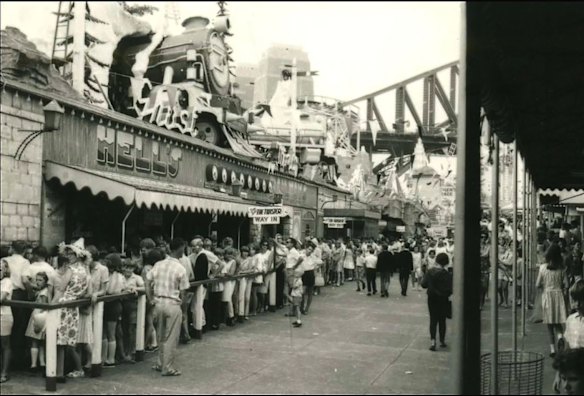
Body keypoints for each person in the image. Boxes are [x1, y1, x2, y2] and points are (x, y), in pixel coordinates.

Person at [145, 238, 190, 377]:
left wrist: (150, 298)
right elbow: (183, 291)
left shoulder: (158, 264)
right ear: (181, 248)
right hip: (172, 303)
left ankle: (160, 363)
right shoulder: (181, 268)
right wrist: (182, 307)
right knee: (171, 337)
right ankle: (167, 367)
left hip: (158, 302)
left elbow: (147, 281)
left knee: (160, 335)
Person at [53, 240, 90, 379]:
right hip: (73, 306)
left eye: (71, 253)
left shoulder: (70, 269)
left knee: (61, 340)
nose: (68, 256)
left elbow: (61, 289)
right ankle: (67, 370)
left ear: (78, 255)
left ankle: (58, 372)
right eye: (67, 253)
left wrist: (51, 305)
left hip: (64, 305)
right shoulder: (85, 270)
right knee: (69, 341)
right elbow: (84, 290)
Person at [536, 244, 569, 357]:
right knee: (558, 322)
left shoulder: (543, 267)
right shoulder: (562, 268)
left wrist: (544, 287)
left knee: (549, 324)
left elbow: (537, 284)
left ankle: (552, 350)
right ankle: (560, 336)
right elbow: (567, 284)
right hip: (558, 295)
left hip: (547, 294)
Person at [4, 240, 31, 369]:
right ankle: (17, 358)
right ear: (24, 251)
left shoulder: (5, 260)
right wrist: (30, 291)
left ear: (12, 249)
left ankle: (6, 357)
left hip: (6, 293)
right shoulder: (25, 262)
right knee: (19, 326)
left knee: (6, 326)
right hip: (19, 294)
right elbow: (25, 280)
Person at [421, 253, 453, 351]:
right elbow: (451, 289)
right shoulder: (448, 274)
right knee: (442, 320)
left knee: (433, 319)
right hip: (443, 299)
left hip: (432, 298)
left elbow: (423, 284)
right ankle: (442, 340)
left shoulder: (430, 272)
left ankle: (433, 341)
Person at [103, 253, 125, 367]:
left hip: (112, 304)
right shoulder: (120, 276)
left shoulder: (113, 276)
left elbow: (110, 290)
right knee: (107, 333)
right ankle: (106, 358)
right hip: (113, 305)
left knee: (109, 333)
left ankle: (110, 358)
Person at [25, 272, 49, 373]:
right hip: (39, 314)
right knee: (40, 341)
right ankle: (41, 363)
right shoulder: (42, 291)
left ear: (45, 281)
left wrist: (40, 319)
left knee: (35, 340)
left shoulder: (44, 292)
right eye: (37, 280)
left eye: (40, 280)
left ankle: (34, 364)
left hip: (39, 315)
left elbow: (43, 306)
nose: (38, 282)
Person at [121, 259, 145, 363]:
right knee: (122, 330)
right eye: (126, 267)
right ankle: (122, 354)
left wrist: (135, 289)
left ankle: (131, 352)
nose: (128, 270)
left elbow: (145, 288)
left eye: (130, 268)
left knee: (131, 329)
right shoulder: (120, 277)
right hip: (122, 305)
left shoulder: (137, 278)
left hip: (133, 306)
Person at [189, 238, 209, 340]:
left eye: (194, 246)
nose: (192, 248)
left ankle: (199, 327)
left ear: (200, 246)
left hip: (200, 285)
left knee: (197, 306)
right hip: (200, 284)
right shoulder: (197, 256)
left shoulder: (202, 256)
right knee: (197, 306)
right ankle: (201, 325)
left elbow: (200, 273)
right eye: (191, 246)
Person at [0, 259, 13, 383]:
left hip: (4, 315)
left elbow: (1, 298)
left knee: (5, 344)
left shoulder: (7, 281)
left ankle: (4, 372)